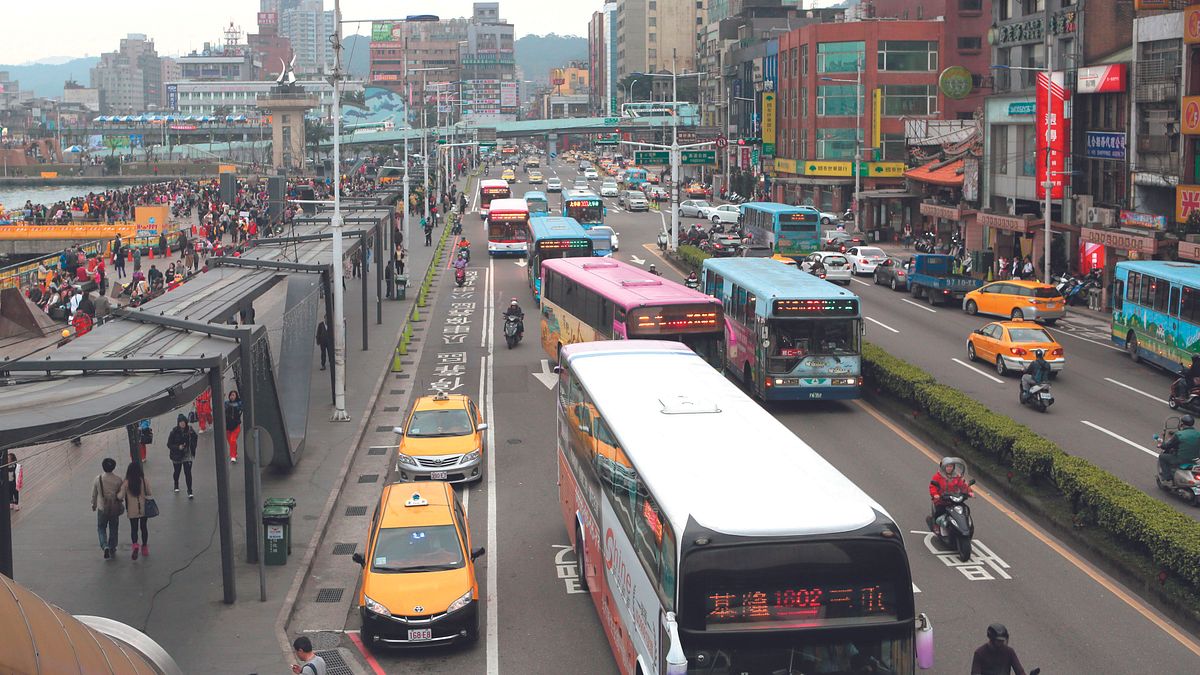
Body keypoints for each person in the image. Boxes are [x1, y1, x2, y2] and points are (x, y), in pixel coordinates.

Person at [118, 461, 152, 560]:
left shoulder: (126, 482)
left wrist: (117, 496)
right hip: (143, 509)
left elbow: (120, 496)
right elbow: (149, 492)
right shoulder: (144, 480)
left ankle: (135, 546)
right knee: (144, 528)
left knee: (134, 529)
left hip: (132, 510)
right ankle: (144, 547)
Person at [91, 457, 123, 559]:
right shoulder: (118, 480)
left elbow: (94, 494)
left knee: (101, 528)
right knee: (113, 527)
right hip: (114, 508)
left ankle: (105, 546)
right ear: (114, 467)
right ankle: (112, 546)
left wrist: (94, 504)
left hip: (102, 508)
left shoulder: (98, 479)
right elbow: (120, 495)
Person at [928, 457, 972, 523]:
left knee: (964, 509)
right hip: (942, 500)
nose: (949, 468)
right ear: (943, 467)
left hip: (954, 498)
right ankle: (936, 525)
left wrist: (969, 492)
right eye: (947, 466)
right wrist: (935, 494)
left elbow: (962, 485)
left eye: (951, 466)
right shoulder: (937, 476)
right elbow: (932, 486)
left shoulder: (956, 476)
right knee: (939, 511)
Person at [1159, 414, 1200, 483]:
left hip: (1181, 459)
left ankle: (1167, 478)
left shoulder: (1179, 434)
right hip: (1196, 460)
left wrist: (1161, 444)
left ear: (1182, 424)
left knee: (1162, 457)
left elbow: (1167, 446)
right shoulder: (1198, 434)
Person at [167, 414, 197, 498]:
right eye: (180, 422)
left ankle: (190, 490)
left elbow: (195, 439)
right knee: (177, 471)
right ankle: (176, 483)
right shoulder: (174, 432)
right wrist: (178, 447)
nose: (182, 424)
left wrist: (191, 445)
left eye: (183, 422)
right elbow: (169, 444)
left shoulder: (190, 430)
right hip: (177, 455)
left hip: (187, 454)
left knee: (188, 473)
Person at [225, 390, 243, 464]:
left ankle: (233, 456)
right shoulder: (226, 403)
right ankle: (234, 451)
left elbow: (243, 406)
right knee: (231, 442)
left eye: (233, 395)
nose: (232, 397)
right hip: (227, 427)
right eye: (231, 395)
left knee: (232, 440)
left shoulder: (239, 404)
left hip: (236, 426)